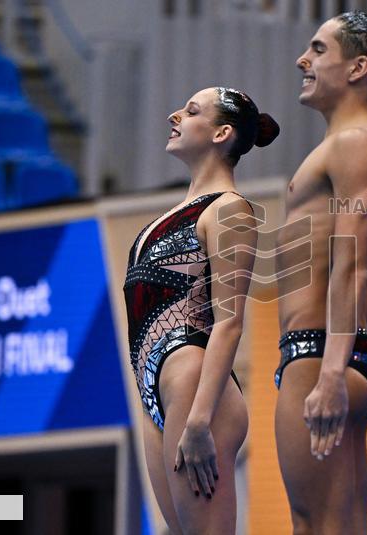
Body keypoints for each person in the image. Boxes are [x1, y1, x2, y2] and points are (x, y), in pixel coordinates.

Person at [123, 86, 278, 534]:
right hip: (158, 390)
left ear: (221, 133)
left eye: (191, 111)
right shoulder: (170, 214)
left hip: (195, 390)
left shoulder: (229, 210)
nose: (174, 114)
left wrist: (199, 420)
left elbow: (230, 323)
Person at [274, 11, 367, 534]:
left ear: (357, 68)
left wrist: (328, 373)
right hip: (330, 349)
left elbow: (355, 268)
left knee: (318, 524)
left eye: (320, 50)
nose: (304, 60)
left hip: (321, 351)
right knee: (332, 524)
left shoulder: (357, 144)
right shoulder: (351, 144)